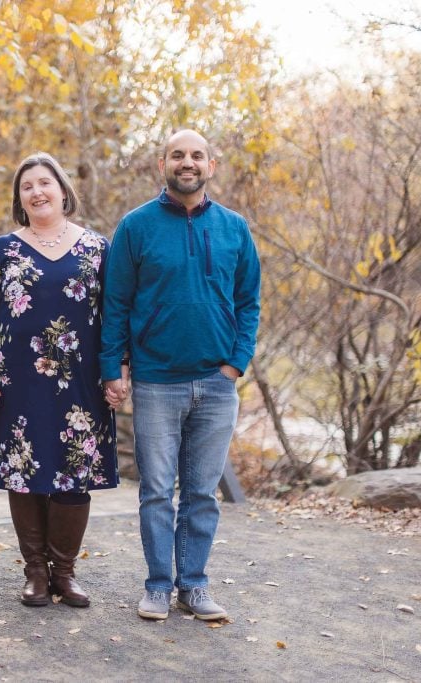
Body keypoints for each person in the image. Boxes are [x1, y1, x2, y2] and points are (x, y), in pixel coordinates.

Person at [100, 129, 261, 622]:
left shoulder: (234, 228)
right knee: (155, 491)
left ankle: (194, 586)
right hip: (156, 382)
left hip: (216, 383)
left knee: (200, 494)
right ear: (162, 164)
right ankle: (157, 586)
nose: (186, 163)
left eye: (196, 155)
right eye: (177, 155)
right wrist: (114, 367)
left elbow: (248, 302)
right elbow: (116, 303)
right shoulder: (136, 227)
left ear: (210, 165)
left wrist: (236, 363)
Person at [0, 152, 119, 608]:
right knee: (25, 469)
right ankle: (35, 571)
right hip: (17, 382)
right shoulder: (3, 250)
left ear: (62, 189)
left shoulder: (96, 247)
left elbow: (113, 316)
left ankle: (65, 573)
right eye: (27, 186)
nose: (37, 191)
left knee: (75, 472)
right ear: (20, 198)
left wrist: (117, 370)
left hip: (80, 382)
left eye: (44, 183)